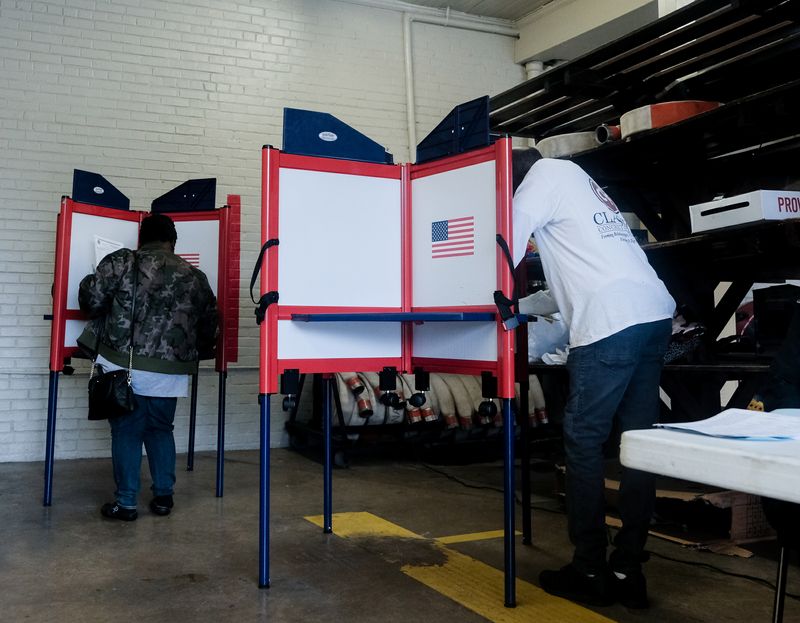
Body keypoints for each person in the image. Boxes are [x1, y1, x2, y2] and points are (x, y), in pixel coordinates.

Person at [512, 148, 675, 608]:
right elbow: (573, 281)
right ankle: (627, 570)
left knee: (584, 442)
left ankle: (588, 568)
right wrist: (519, 309)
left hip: (611, 325)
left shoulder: (538, 180)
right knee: (636, 444)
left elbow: (502, 241)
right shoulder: (577, 182)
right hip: (652, 313)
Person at [78, 213, 218, 521]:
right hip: (170, 372)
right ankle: (163, 497)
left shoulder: (122, 261)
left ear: (142, 238)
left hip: (123, 364)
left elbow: (91, 299)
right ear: (172, 242)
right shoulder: (195, 276)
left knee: (126, 432)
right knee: (160, 430)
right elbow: (209, 326)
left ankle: (126, 503)